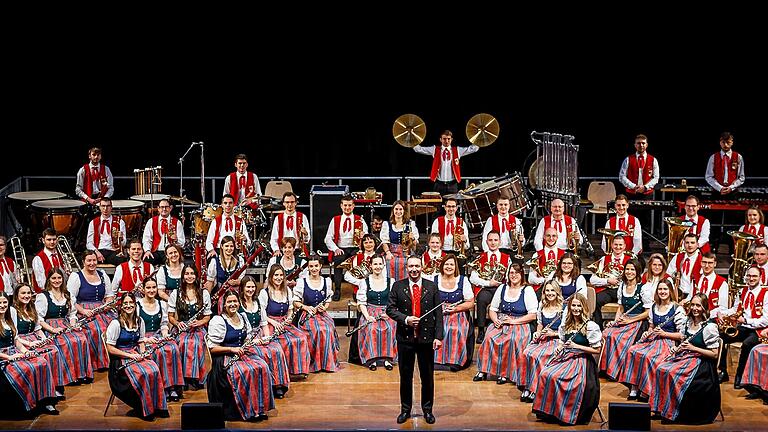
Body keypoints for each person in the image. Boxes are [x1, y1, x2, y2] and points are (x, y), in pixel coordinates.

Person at [386, 256, 443, 425]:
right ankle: (405, 410)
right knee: (406, 376)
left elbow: (438, 315)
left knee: (427, 377)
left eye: (417, 266)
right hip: (406, 339)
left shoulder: (431, 287)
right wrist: (405, 319)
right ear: (406, 268)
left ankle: (427, 410)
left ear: (422, 267)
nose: (414, 269)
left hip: (426, 339)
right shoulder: (398, 286)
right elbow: (390, 309)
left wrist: (439, 337)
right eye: (411, 266)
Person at [648, 293, 720, 424]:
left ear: (704, 307)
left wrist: (693, 348)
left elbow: (714, 354)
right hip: (686, 356)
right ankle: (661, 409)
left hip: (702, 364)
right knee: (660, 368)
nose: (695, 308)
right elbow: (683, 339)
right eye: (693, 305)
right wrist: (677, 348)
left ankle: (674, 412)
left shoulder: (710, 327)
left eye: (698, 305)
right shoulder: (688, 322)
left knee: (672, 373)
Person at [531, 293, 601, 425]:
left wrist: (577, 346)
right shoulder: (566, 324)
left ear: (583, 307)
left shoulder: (590, 326)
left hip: (582, 360)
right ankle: (550, 412)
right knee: (545, 374)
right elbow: (563, 341)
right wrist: (560, 346)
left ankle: (566, 413)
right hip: (567, 357)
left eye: (578, 306)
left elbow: (597, 350)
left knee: (563, 380)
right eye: (573, 305)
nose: (576, 308)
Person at [206, 290, 273, 422]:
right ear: (224, 305)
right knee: (245, 371)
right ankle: (247, 410)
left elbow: (246, 340)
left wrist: (257, 341)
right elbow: (212, 348)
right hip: (224, 357)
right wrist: (232, 349)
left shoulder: (242, 317)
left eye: (235, 301)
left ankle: (258, 408)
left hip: (241, 353)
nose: (232, 304)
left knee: (262, 366)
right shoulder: (218, 320)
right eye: (229, 302)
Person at [617, 278, 685, 401]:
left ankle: (646, 391)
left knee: (649, 357)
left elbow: (682, 335)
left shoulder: (676, 309)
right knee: (633, 350)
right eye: (660, 289)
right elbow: (651, 327)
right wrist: (647, 333)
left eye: (665, 289)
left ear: (670, 291)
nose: (662, 291)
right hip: (654, 339)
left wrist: (665, 334)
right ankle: (635, 387)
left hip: (668, 341)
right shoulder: (654, 307)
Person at [105, 292, 169, 420]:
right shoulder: (116, 324)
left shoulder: (139, 321)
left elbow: (140, 341)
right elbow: (110, 348)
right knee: (143, 373)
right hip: (120, 361)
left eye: (131, 303)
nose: (128, 306)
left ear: (135, 305)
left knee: (154, 369)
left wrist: (143, 353)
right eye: (125, 303)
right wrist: (129, 356)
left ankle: (157, 407)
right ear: (121, 306)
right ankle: (144, 409)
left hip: (134, 354)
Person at [473, 263, 537, 385]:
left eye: (517, 273)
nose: (514, 275)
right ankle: (484, 370)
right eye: (511, 273)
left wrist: (513, 321)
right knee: (489, 337)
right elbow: (493, 308)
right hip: (502, 321)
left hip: (520, 322)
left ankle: (506, 373)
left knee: (513, 339)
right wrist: (495, 320)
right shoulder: (502, 288)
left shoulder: (527, 290)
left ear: (522, 274)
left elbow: (533, 315)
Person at [0, 292, 58, 417]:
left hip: (14, 352)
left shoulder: (8, 319)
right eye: (0, 303)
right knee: (27, 368)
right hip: (3, 357)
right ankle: (28, 405)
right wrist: (9, 357)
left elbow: (16, 341)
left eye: (4, 302)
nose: (2, 305)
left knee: (41, 362)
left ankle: (45, 402)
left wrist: (26, 352)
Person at [12, 283, 71, 397]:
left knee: (53, 351)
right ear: (17, 295)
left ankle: (53, 387)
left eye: (28, 293)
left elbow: (38, 329)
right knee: (41, 358)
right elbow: (14, 336)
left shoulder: (31, 308)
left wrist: (44, 340)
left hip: (34, 338)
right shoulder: (13, 311)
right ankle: (41, 392)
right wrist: (30, 343)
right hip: (21, 342)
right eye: (23, 293)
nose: (26, 296)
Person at [36, 268, 93, 384]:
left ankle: (81, 374)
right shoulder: (43, 296)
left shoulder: (67, 294)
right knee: (65, 342)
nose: (57, 280)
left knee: (80, 338)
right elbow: (39, 319)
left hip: (65, 324)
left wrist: (73, 325)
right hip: (50, 326)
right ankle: (68, 377)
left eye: (59, 278)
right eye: (54, 278)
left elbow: (72, 314)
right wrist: (53, 329)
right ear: (49, 280)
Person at [238, 276, 290, 399]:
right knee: (263, 353)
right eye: (248, 287)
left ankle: (278, 385)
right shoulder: (239, 305)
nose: (250, 290)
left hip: (259, 335)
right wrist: (254, 341)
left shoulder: (258, 303)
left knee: (276, 349)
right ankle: (266, 386)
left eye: (252, 287)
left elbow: (264, 323)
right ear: (243, 288)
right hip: (246, 339)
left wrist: (267, 337)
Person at [599, 260, 652, 381]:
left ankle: (617, 371)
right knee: (607, 333)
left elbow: (648, 312)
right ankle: (607, 369)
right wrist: (615, 321)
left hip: (637, 321)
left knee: (619, 338)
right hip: (624, 319)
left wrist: (630, 320)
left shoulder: (643, 288)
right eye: (627, 269)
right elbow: (621, 308)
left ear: (637, 271)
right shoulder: (622, 286)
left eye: (632, 269)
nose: (629, 272)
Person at [717, 266, 767, 388]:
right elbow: (735, 309)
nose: (751, 278)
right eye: (749, 276)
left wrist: (746, 320)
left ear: (760, 278)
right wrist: (723, 313)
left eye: (754, 276)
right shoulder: (743, 291)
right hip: (743, 327)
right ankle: (723, 371)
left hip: (759, 330)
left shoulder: (766, 294)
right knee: (721, 337)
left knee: (747, 344)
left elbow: (765, 320)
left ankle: (740, 376)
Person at [137, 277, 184, 402]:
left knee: (173, 348)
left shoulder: (161, 304)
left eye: (154, 287)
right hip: (143, 339)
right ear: (143, 289)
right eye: (148, 287)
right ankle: (162, 387)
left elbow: (163, 325)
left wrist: (164, 335)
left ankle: (172, 387)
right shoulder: (137, 305)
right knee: (159, 352)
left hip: (158, 335)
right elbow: (135, 329)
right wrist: (146, 339)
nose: (152, 290)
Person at [167, 265, 212, 390]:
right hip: (181, 328)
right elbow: (170, 316)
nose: (189, 276)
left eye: (192, 273)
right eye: (186, 273)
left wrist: (200, 322)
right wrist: (177, 323)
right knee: (182, 343)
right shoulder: (176, 293)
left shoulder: (203, 293)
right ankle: (183, 379)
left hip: (197, 329)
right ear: (183, 276)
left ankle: (196, 378)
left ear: (196, 276)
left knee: (196, 343)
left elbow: (207, 316)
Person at [67, 250, 113, 371]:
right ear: (83, 262)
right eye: (89, 260)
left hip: (102, 310)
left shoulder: (102, 274)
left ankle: (112, 360)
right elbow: (70, 299)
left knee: (113, 325)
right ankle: (98, 363)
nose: (92, 263)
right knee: (97, 329)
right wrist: (83, 311)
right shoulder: (76, 276)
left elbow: (109, 294)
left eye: (94, 260)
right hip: (84, 311)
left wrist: (108, 303)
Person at [261, 264, 310, 377]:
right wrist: (273, 322)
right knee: (283, 342)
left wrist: (288, 319)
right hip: (270, 323)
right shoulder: (265, 292)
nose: (279, 278)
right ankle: (282, 372)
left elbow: (290, 310)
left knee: (300, 338)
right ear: (271, 277)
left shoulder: (287, 290)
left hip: (283, 323)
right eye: (276, 275)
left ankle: (296, 370)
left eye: (281, 275)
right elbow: (262, 314)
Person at [519, 281, 564, 403]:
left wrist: (553, 333)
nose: (550, 293)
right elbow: (539, 324)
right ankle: (527, 386)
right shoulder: (542, 305)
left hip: (558, 340)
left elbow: (568, 330)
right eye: (547, 291)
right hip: (544, 338)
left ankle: (535, 389)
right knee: (527, 353)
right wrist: (538, 333)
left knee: (539, 356)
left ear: (557, 292)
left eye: (552, 290)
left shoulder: (563, 308)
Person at [293, 256, 339, 373]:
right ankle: (314, 363)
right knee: (316, 330)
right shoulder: (301, 282)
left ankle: (327, 363)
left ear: (320, 266)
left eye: (316, 266)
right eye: (311, 266)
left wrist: (324, 307)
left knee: (327, 329)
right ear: (308, 268)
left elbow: (328, 300)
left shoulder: (326, 281)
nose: (314, 269)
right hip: (307, 316)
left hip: (322, 314)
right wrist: (306, 307)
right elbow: (295, 302)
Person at [353, 255, 397, 371]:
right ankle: (372, 359)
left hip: (386, 312)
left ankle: (388, 359)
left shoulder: (391, 282)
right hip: (370, 312)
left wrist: (389, 313)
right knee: (372, 328)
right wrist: (367, 316)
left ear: (383, 265)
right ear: (371, 266)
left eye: (380, 264)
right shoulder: (364, 282)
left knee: (390, 328)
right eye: (375, 264)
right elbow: (361, 303)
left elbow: (394, 302)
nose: (377, 266)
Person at [433, 254, 474, 371]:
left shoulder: (463, 280)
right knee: (437, 328)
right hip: (438, 313)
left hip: (458, 313)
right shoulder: (435, 279)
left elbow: (470, 303)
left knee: (456, 329)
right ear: (442, 266)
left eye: (451, 264)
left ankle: (455, 361)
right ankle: (436, 360)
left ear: (455, 267)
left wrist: (456, 309)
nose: (449, 267)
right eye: (446, 264)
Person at [324, 195, 368, 301]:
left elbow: (367, 235)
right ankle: (338, 289)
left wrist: (363, 235)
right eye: (345, 205)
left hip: (355, 248)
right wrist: (335, 249)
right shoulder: (335, 220)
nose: (347, 208)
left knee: (358, 264)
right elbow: (328, 238)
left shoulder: (359, 219)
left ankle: (356, 291)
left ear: (353, 206)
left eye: (349, 205)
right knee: (338, 263)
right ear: (341, 206)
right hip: (341, 248)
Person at [469, 231, 511, 343]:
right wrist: (489, 283)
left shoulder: (506, 258)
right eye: (490, 240)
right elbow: (472, 278)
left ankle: (503, 327)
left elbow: (509, 275)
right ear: (486, 242)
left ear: (500, 242)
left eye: (495, 240)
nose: (493, 243)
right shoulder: (480, 258)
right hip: (486, 288)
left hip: (501, 287)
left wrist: (502, 284)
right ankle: (481, 330)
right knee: (482, 299)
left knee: (505, 298)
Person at [412, 129, 480, 196]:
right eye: (444, 139)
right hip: (439, 184)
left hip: (453, 184)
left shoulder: (457, 150)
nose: (446, 141)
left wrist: (479, 134)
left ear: (451, 139)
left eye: (448, 139)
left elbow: (473, 149)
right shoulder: (434, 149)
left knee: (452, 205)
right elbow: (418, 149)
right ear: (440, 139)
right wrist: (412, 135)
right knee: (437, 205)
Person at [591, 236, 632, 329]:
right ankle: (598, 328)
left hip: (624, 289)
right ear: (612, 245)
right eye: (616, 244)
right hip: (608, 290)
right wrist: (608, 280)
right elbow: (592, 280)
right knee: (596, 300)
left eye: (620, 245)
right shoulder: (604, 259)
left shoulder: (630, 260)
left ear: (625, 246)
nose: (618, 247)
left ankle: (625, 327)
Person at [205, 236, 245, 313]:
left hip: (236, 296)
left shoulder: (240, 260)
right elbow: (210, 282)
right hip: (220, 296)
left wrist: (237, 282)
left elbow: (242, 279)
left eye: (231, 246)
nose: (229, 248)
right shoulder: (215, 261)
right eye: (226, 246)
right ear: (221, 246)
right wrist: (208, 299)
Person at [381, 200, 419, 281]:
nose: (398, 211)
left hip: (407, 252)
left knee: (409, 262)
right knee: (389, 262)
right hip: (392, 252)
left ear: (404, 211)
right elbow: (384, 242)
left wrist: (412, 239)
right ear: (393, 211)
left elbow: (415, 246)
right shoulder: (387, 224)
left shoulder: (410, 224)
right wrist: (388, 253)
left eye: (400, 209)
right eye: (396, 209)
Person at [141, 198, 185, 266]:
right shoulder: (151, 221)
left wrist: (176, 240)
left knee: (174, 261)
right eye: (162, 207)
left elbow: (182, 243)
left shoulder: (177, 222)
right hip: (155, 251)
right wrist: (147, 251)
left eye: (166, 207)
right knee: (147, 260)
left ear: (170, 208)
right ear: (158, 208)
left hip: (170, 252)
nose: (164, 209)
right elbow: (146, 239)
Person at [86, 197, 127, 266]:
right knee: (88, 260)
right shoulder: (93, 222)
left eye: (108, 206)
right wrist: (97, 252)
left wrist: (121, 239)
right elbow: (89, 243)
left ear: (111, 207)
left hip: (113, 251)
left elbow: (124, 243)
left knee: (122, 260)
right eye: (103, 206)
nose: (105, 209)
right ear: (99, 207)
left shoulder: (119, 222)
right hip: (98, 250)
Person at [685, 252, 728, 317]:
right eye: (704, 262)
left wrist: (707, 314)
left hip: (711, 318)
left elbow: (723, 308)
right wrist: (684, 302)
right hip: (694, 316)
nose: (707, 266)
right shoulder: (695, 279)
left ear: (715, 264)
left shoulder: (722, 283)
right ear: (701, 263)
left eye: (710, 263)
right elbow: (690, 298)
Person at [619, 133, 659, 200]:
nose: (641, 145)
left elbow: (656, 177)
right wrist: (633, 186)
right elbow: (622, 176)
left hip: (647, 194)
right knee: (631, 211)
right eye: (638, 143)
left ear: (646, 145)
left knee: (647, 210)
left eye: (643, 143)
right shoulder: (628, 159)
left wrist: (645, 187)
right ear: (635, 145)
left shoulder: (653, 160)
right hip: (631, 193)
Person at [270, 192, 310, 256]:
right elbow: (274, 238)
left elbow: (306, 240)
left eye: (292, 202)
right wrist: (276, 250)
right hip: (282, 251)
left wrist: (305, 234)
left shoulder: (302, 217)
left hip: (298, 251)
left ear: (296, 203)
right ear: (283, 203)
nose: (290, 205)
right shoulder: (278, 218)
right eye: (287, 202)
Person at [430, 198, 469, 263]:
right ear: (445, 208)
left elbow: (467, 246)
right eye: (449, 206)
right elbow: (433, 240)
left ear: (456, 208)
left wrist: (464, 240)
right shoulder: (437, 221)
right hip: (441, 253)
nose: (451, 209)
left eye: (453, 206)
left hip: (457, 253)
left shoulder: (462, 222)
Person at [527, 227, 565, 292]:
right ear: (544, 237)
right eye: (548, 236)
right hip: (542, 289)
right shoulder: (536, 255)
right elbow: (530, 279)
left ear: (557, 237)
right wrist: (545, 280)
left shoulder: (564, 255)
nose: (551, 238)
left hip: (560, 288)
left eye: (554, 236)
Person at [666, 233, 702, 297]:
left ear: (697, 245)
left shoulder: (702, 259)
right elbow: (668, 274)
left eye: (692, 243)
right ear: (684, 244)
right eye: (687, 242)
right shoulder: (678, 257)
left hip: (695, 295)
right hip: (679, 294)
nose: (689, 245)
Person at [31, 229, 65, 293]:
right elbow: (41, 283)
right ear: (43, 240)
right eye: (49, 240)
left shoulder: (61, 256)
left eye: (54, 239)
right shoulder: (38, 258)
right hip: (46, 294)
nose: (52, 242)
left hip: (61, 293)